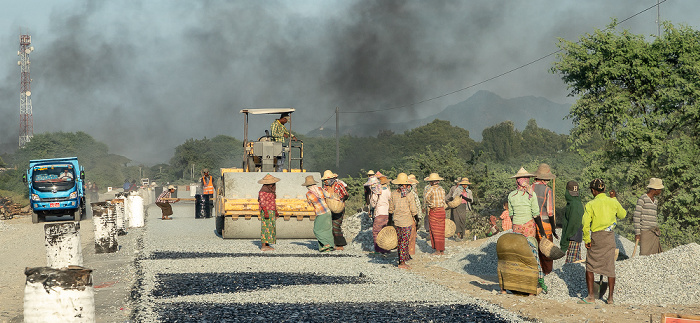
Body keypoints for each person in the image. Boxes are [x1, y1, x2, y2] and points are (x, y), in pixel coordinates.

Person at [580, 178, 627, 305]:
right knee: (610, 266)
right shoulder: (613, 202)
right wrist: (615, 199)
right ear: (604, 189)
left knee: (590, 265)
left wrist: (587, 239)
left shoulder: (590, 204)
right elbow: (622, 215)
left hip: (596, 237)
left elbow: (585, 224)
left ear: (593, 191)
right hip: (609, 237)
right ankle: (610, 298)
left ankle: (591, 296)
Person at [507, 167, 548, 292]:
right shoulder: (531, 195)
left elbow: (511, 214)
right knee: (531, 253)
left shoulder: (511, 195)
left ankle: (516, 281)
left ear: (517, 181)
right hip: (529, 227)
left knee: (518, 253)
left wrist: (517, 224)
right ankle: (535, 281)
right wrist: (541, 229)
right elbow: (536, 214)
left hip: (516, 228)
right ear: (526, 180)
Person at [531, 163, 559, 275]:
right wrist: (553, 227)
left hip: (531, 222)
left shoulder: (530, 188)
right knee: (546, 250)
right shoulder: (548, 190)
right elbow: (550, 212)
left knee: (534, 248)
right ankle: (546, 272)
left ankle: (535, 273)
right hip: (545, 223)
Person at [388, 173, 418, 269]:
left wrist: (389, 221)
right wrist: (417, 218)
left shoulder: (393, 194)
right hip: (406, 222)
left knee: (400, 241)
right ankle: (402, 262)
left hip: (396, 221)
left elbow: (391, 209)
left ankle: (402, 258)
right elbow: (413, 209)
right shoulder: (409, 194)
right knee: (404, 242)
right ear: (405, 184)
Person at [302, 175, 335, 252]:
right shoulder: (320, 189)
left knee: (317, 230)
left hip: (320, 213)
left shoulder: (309, 194)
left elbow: (310, 204)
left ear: (308, 186)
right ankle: (327, 247)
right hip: (328, 211)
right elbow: (330, 196)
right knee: (327, 229)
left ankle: (326, 244)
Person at [634, 178, 664, 256]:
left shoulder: (655, 201)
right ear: (655, 189)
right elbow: (637, 216)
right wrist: (637, 233)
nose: (660, 191)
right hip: (645, 231)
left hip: (654, 232)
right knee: (644, 254)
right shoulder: (642, 199)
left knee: (654, 255)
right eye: (660, 189)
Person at [321, 170, 348, 250]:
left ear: (330, 179)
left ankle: (340, 245)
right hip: (329, 208)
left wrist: (340, 200)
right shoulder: (325, 187)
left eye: (325, 180)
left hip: (339, 208)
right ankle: (331, 243)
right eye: (324, 180)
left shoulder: (339, 185)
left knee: (336, 226)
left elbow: (346, 195)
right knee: (329, 226)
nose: (324, 181)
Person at [423, 173, 447, 255]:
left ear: (432, 182)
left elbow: (426, 198)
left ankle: (437, 250)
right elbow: (444, 200)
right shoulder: (442, 189)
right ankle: (441, 249)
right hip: (442, 210)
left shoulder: (431, 189)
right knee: (441, 231)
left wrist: (431, 204)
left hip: (435, 210)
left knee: (435, 230)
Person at [561, 181, 584, 263]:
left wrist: (567, 237)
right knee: (576, 260)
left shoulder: (574, 205)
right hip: (576, 235)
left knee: (571, 262)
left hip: (573, 235)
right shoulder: (577, 202)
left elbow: (573, 223)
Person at [257, 174, 280, 251]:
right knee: (265, 227)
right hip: (266, 211)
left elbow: (273, 202)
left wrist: (276, 211)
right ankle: (263, 245)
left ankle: (267, 244)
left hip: (271, 210)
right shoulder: (263, 191)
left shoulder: (271, 191)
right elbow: (262, 202)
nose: (273, 185)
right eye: (271, 183)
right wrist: (266, 212)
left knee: (270, 228)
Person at [447, 177, 474, 241]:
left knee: (463, 220)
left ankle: (462, 234)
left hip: (463, 206)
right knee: (457, 220)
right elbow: (453, 196)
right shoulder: (457, 189)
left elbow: (471, 200)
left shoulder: (469, 191)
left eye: (466, 184)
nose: (464, 185)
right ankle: (458, 234)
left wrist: (464, 197)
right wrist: (449, 200)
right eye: (463, 184)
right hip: (457, 206)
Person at [407, 174, 423, 255]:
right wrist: (417, 217)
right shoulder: (411, 193)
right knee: (411, 234)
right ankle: (410, 252)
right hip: (411, 216)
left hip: (403, 217)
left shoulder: (397, 193)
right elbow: (415, 207)